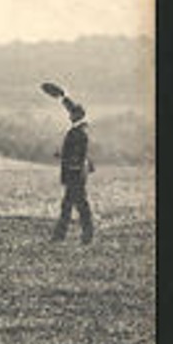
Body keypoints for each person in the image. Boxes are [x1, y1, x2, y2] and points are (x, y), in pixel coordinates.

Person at [51, 101, 96, 244]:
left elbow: (77, 156)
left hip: (74, 174)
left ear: (76, 116)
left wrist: (63, 157)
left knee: (78, 205)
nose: (69, 115)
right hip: (76, 174)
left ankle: (83, 236)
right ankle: (62, 236)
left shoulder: (78, 133)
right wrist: (64, 98)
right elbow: (78, 155)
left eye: (72, 113)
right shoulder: (80, 131)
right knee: (70, 205)